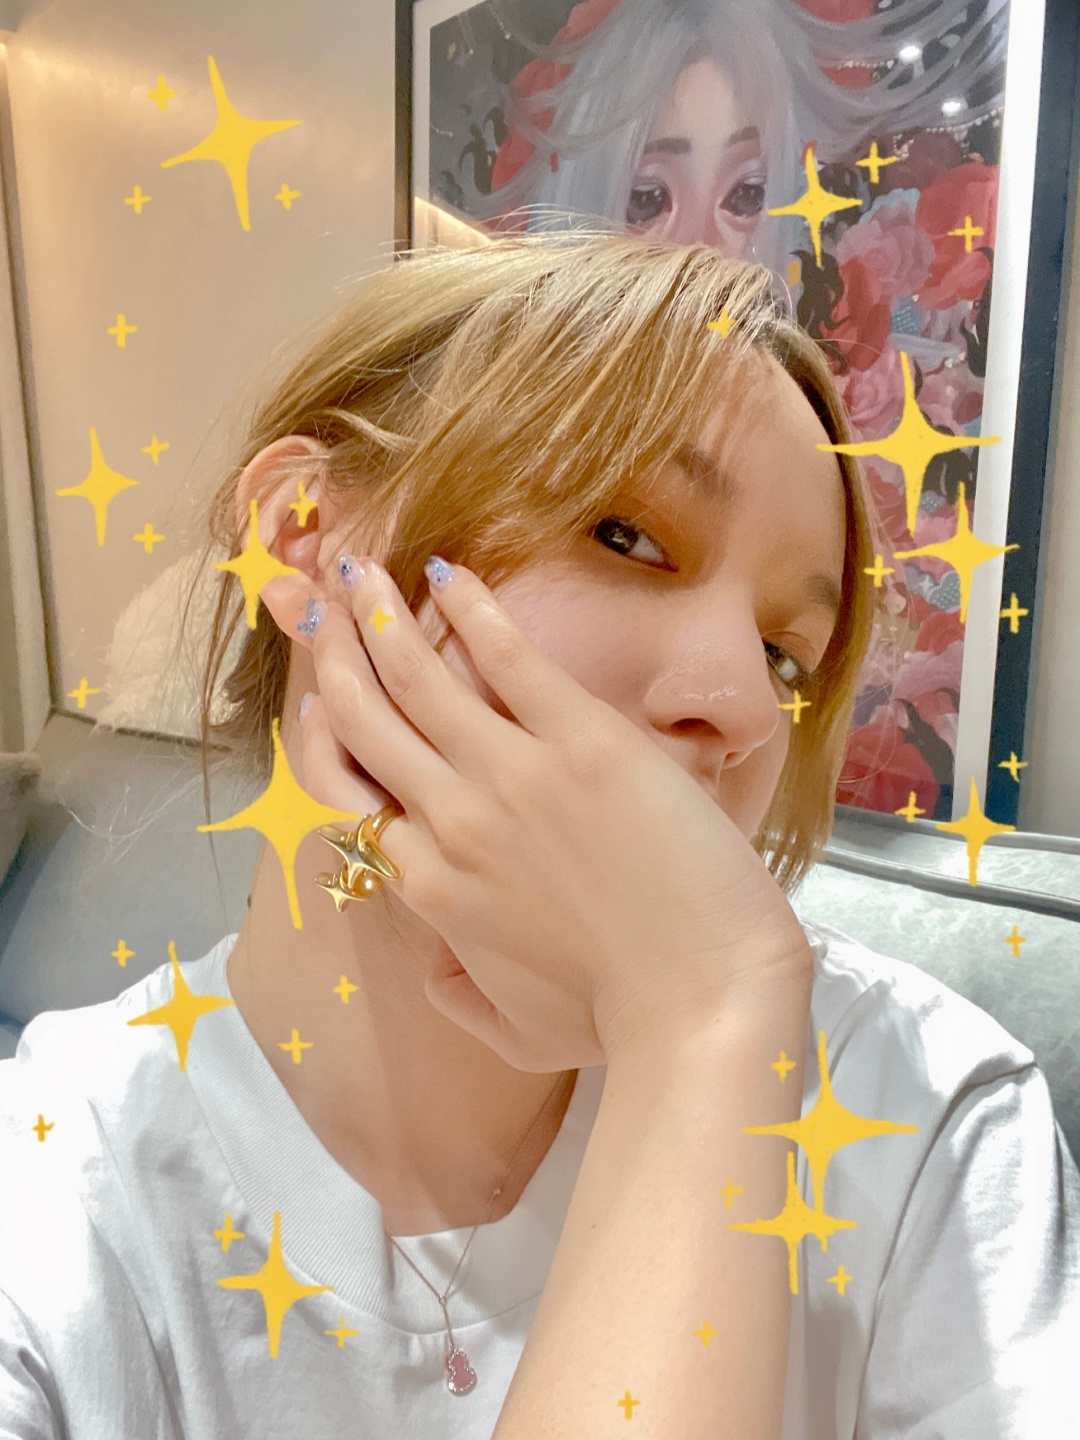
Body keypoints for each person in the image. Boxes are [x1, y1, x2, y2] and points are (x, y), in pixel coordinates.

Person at [0, 234, 1076, 1439]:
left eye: (786, 658)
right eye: (626, 535)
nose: (740, 704)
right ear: (303, 536)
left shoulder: (922, 1117)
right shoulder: (49, 1190)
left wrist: (704, 1027)